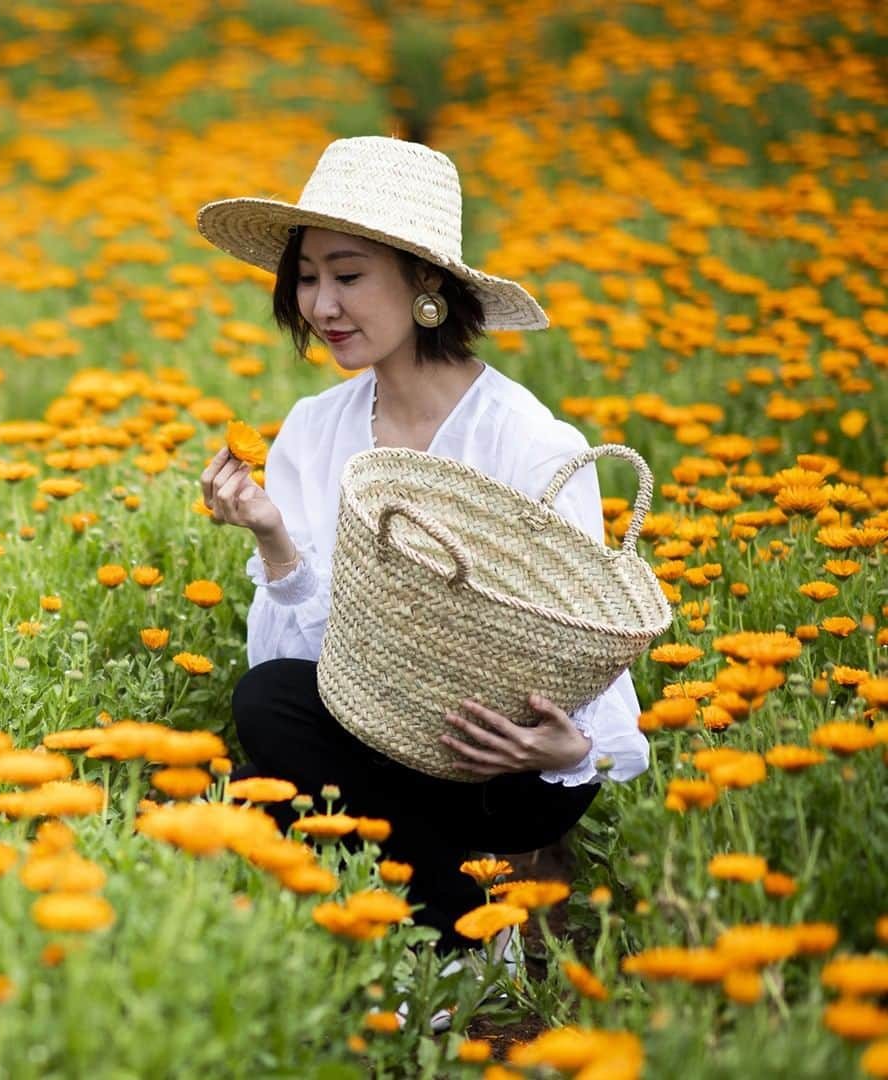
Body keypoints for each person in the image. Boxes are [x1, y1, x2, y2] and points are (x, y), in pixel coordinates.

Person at [196, 136, 649, 953]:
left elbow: (593, 640)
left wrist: (574, 749)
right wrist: (273, 541)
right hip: (383, 734)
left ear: (425, 281)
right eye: (306, 277)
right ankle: (464, 927)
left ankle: (445, 915)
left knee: (271, 807)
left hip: (503, 757)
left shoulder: (529, 442)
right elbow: (300, 668)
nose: (321, 305)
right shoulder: (313, 431)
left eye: (349, 275)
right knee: (267, 707)